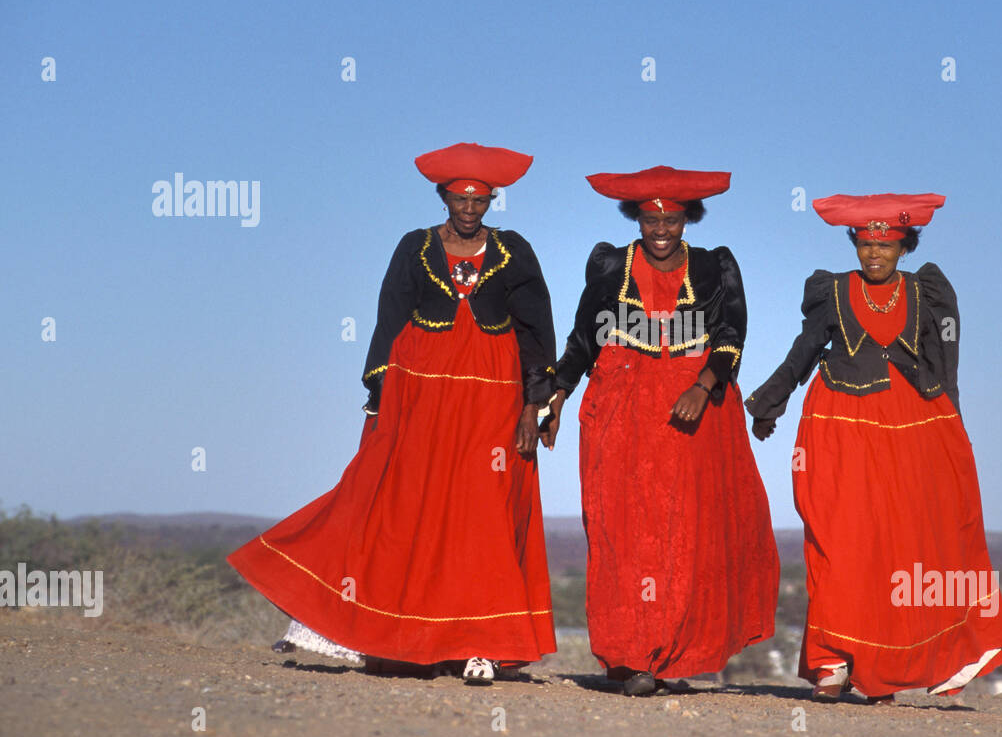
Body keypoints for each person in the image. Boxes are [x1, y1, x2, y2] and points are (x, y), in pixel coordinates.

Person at [228, 142, 557, 685]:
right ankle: (339, 625)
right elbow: (388, 318)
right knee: (392, 502)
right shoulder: (415, 247)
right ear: (443, 196)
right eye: (460, 198)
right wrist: (380, 395)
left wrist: (533, 405)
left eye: (481, 200)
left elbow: (535, 330)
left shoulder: (514, 252)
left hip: (491, 401)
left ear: (492, 201)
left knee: (482, 515)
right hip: (417, 395)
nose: (470, 209)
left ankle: (481, 644)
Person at [745, 192, 1002, 702]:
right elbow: (805, 348)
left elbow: (945, 366)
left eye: (887, 246)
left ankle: (886, 667)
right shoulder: (832, 290)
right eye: (865, 245)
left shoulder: (928, 293)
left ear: (904, 245)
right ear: (854, 243)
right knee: (839, 540)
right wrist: (771, 399)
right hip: (840, 425)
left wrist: (953, 428)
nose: (874, 255)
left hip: (914, 428)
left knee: (908, 547)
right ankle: (832, 663)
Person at [542, 165, 780, 697]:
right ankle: (629, 657)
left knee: (683, 535)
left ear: (687, 218)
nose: (661, 230)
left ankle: (668, 654)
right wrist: (558, 394)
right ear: (637, 218)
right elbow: (584, 338)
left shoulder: (714, 268)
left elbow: (732, 335)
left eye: (671, 219)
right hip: (620, 407)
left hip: (690, 409)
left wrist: (705, 383)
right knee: (620, 531)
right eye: (651, 219)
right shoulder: (609, 266)